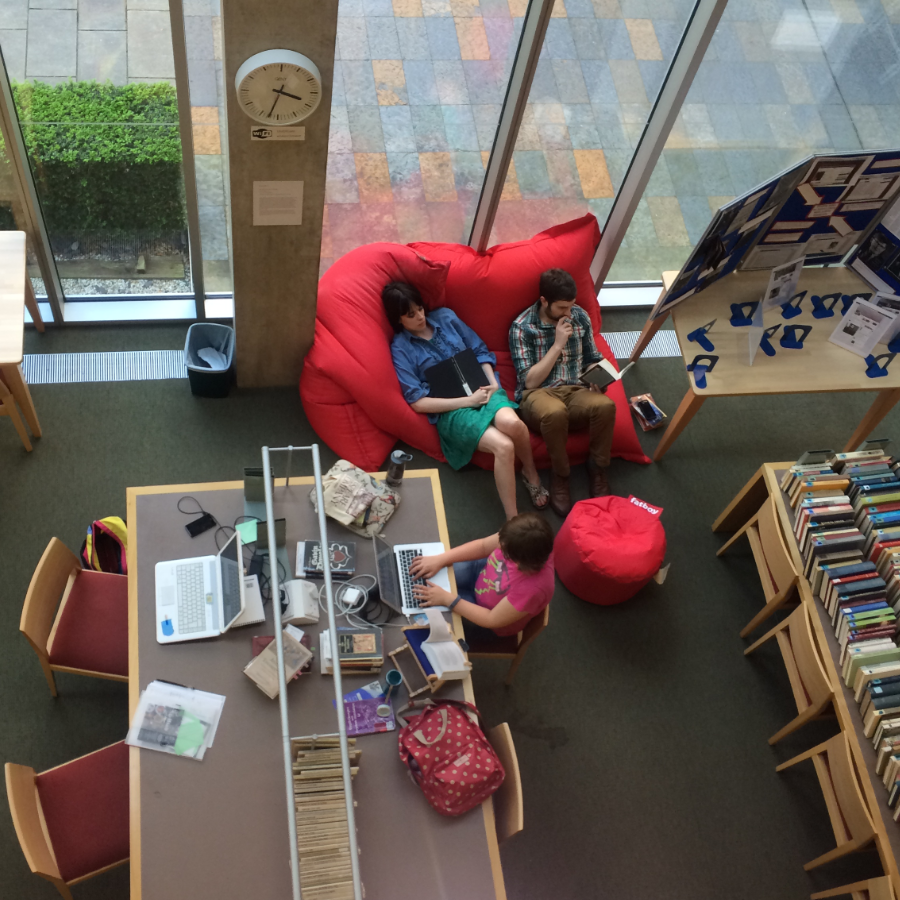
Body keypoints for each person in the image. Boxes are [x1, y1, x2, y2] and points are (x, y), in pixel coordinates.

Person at [384, 281, 548, 520]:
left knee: (514, 425)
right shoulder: (400, 348)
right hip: (453, 410)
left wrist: (492, 383)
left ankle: (530, 472)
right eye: (411, 315)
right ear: (398, 319)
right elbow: (417, 402)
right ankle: (513, 519)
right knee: (503, 446)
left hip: (483, 387)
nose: (420, 316)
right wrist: (468, 401)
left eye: (420, 308)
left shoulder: (446, 318)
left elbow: (480, 351)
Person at [509, 268, 616, 517]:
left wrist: (598, 376)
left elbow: (592, 357)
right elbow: (530, 382)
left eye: (571, 306)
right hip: (539, 395)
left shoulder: (579, 316)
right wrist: (557, 344)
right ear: (544, 301)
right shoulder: (522, 327)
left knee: (605, 405)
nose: (568, 314)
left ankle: (598, 468)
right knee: (555, 412)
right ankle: (561, 474)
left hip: (576, 389)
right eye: (562, 308)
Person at [409, 512, 554, 637]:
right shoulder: (521, 536)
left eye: (505, 552)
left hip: (486, 617)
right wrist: (441, 559)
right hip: (481, 574)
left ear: (520, 561)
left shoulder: (533, 590)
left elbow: (490, 619)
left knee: (427, 606)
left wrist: (448, 599)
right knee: (428, 577)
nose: (499, 546)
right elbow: (484, 545)